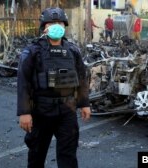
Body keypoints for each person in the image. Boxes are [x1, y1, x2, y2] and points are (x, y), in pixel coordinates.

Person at [17, 7, 91, 168]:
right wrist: (24, 112)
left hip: (67, 111)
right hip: (41, 111)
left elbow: (82, 78)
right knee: (37, 153)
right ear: (44, 27)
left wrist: (84, 103)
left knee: (68, 155)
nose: (56, 25)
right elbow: (24, 82)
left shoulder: (72, 50)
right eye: (51, 22)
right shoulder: (32, 51)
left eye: (59, 22)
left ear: (64, 26)